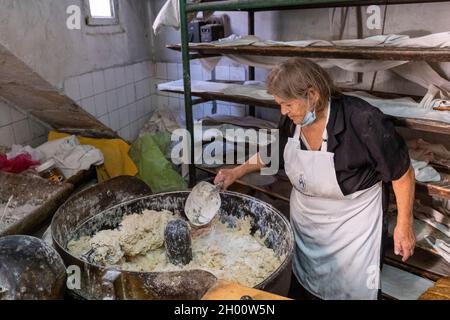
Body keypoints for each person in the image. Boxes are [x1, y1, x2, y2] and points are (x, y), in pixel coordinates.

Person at [214, 58, 416, 300]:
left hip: (352, 230)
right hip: (307, 227)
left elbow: (402, 172)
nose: (283, 111)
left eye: (287, 104)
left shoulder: (363, 119)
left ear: (313, 94)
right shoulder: (293, 120)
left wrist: (404, 224)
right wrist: (236, 171)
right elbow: (274, 151)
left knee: (353, 289)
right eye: (279, 104)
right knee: (305, 286)